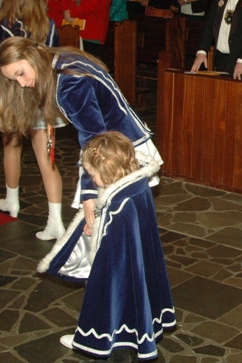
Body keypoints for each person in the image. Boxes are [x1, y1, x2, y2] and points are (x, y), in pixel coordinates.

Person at [0, 37, 162, 231]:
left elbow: (94, 138)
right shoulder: (60, 59)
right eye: (15, 80)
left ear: (31, 56)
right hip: (117, 144)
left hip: (113, 154)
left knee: (110, 230)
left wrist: (89, 193)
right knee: (116, 228)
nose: (21, 83)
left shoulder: (69, 81)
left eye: (21, 73)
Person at [38, 131, 175, 359]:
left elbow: (110, 241)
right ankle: (132, 334)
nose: (92, 180)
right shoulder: (137, 186)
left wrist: (97, 230)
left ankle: (99, 338)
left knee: (108, 296)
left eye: (93, 174)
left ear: (108, 170)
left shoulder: (119, 204)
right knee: (135, 295)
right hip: (135, 262)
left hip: (116, 267)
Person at [0, 0, 65, 240]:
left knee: (11, 148)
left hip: (13, 95)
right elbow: (55, 63)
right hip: (41, 95)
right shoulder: (49, 25)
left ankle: (12, 200)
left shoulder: (4, 27)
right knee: (46, 158)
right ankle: (55, 220)